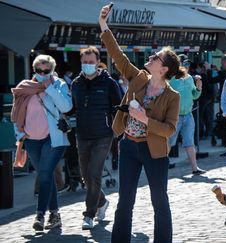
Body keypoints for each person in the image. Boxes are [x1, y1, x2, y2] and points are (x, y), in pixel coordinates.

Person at [99, 5, 181, 242]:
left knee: (159, 201)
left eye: (157, 58)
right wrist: (104, 24)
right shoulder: (139, 78)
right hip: (129, 146)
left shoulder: (172, 96)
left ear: (164, 69)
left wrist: (145, 119)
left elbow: (170, 129)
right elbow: (117, 55)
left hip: (153, 151)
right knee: (125, 200)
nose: (151, 57)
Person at [11, 54, 72, 231]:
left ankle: (40, 215)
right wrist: (19, 134)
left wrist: (49, 87)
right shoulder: (25, 87)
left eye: (47, 70)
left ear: (52, 70)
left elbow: (66, 107)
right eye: (39, 70)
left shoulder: (58, 84)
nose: (43, 73)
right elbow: (16, 112)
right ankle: (55, 213)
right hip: (31, 140)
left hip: (53, 140)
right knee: (46, 176)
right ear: (34, 70)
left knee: (44, 174)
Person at [71, 45, 122, 229]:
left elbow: (118, 107)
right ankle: (101, 202)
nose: (87, 65)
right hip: (82, 135)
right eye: (84, 62)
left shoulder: (109, 83)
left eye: (91, 62)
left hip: (103, 135)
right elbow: (72, 108)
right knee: (86, 177)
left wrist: (118, 132)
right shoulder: (76, 83)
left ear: (98, 62)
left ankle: (89, 215)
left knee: (94, 174)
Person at [168, 60, 206, 175]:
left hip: (188, 115)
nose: (185, 67)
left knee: (189, 142)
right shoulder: (170, 79)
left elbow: (194, 95)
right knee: (169, 141)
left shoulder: (189, 78)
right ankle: (162, 164)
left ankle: (195, 168)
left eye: (187, 65)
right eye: (183, 64)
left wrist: (199, 89)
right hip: (174, 116)